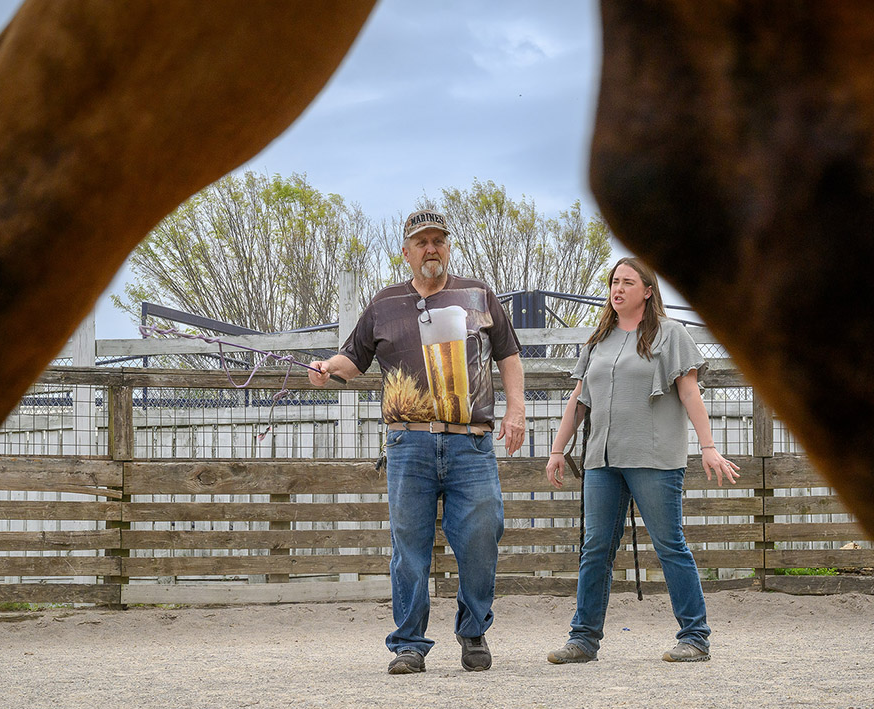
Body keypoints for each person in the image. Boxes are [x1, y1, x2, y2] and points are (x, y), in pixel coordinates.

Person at [309, 209, 526, 675]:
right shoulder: (384, 304)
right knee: (408, 545)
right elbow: (353, 358)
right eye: (421, 242)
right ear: (405, 252)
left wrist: (516, 410)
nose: (431, 248)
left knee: (482, 538)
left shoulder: (479, 295)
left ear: (448, 247)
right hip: (409, 444)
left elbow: (508, 354)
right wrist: (326, 369)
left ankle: (473, 632)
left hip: (472, 442)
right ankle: (409, 644)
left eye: (438, 240)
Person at [544, 257, 739, 664]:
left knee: (670, 545)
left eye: (628, 283)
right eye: (614, 282)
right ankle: (583, 640)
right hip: (602, 460)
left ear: (647, 291)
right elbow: (578, 402)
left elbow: (689, 394)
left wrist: (708, 446)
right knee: (595, 548)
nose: (618, 289)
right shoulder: (599, 339)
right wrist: (557, 450)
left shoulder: (671, 334)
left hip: (654, 460)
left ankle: (695, 637)